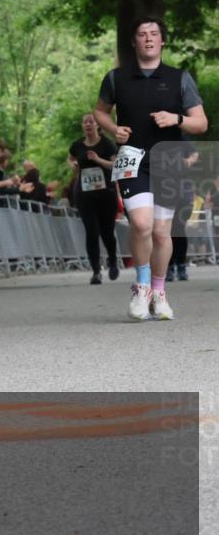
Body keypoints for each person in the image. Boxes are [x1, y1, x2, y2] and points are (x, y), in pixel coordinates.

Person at [93, 16, 208, 320]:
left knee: (160, 232)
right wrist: (111, 129)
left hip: (169, 162)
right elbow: (100, 112)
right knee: (141, 225)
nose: (148, 38)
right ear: (134, 41)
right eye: (142, 34)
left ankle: (160, 292)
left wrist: (177, 119)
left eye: (154, 34)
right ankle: (142, 287)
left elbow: (201, 122)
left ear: (162, 41)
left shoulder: (179, 78)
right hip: (133, 160)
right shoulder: (116, 78)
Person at [68, 112, 119, 284]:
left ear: (98, 125)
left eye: (91, 122)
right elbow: (70, 159)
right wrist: (73, 165)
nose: (88, 125)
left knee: (107, 231)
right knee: (91, 231)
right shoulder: (77, 145)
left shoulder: (107, 144)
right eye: (85, 122)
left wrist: (98, 159)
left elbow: (115, 164)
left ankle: (112, 261)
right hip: (85, 194)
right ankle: (96, 271)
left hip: (106, 194)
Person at [166, 140, 199, 282]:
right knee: (165, 230)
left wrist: (189, 161)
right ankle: (168, 266)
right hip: (163, 189)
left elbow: (194, 153)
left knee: (178, 228)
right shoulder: (157, 140)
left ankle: (181, 265)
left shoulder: (180, 139)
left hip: (182, 190)